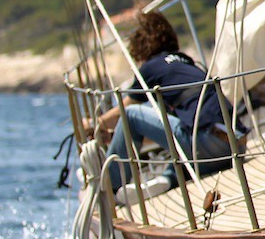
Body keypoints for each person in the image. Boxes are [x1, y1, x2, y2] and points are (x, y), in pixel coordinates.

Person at [96, 11, 235, 206]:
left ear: (141, 47)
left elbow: (126, 108)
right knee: (184, 148)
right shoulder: (187, 62)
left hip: (205, 143)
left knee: (131, 116)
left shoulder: (152, 67)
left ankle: (108, 190)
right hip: (233, 146)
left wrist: (96, 124)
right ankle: (166, 180)